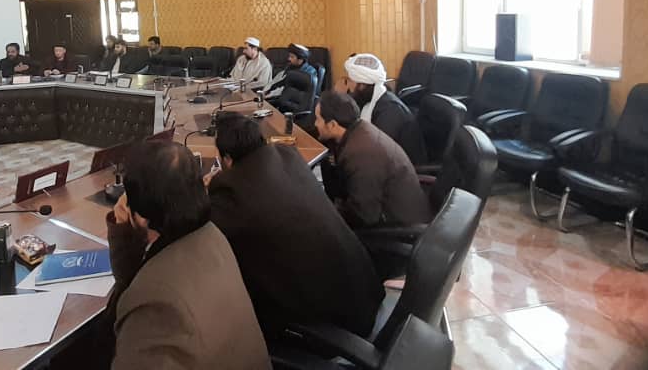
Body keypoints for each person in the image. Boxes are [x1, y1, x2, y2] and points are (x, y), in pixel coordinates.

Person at [206, 113, 385, 339]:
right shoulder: (288, 154)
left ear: (227, 159)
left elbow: (207, 229)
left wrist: (209, 188)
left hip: (333, 325)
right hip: (363, 288)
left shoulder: (231, 193)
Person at [107, 141, 269, 369]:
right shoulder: (213, 236)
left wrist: (124, 232)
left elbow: (131, 295)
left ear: (141, 218)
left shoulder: (154, 299)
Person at [315, 90, 431, 230]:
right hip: (384, 210)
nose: (315, 124)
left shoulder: (360, 155)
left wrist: (328, 214)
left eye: (318, 119)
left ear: (333, 125)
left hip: (398, 227)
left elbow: (364, 216)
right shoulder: (359, 129)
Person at [341, 53, 425, 163]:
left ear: (362, 86)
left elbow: (379, 153)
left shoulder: (390, 111)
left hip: (401, 167)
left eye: (349, 81)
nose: (348, 86)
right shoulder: (369, 101)